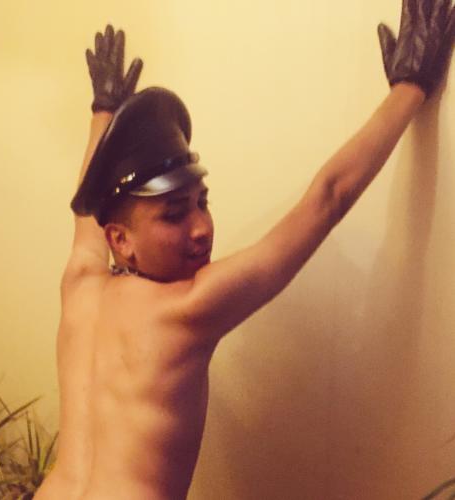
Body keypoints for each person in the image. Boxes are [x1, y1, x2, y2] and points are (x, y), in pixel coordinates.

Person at [33, 1, 454, 499]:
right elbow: (328, 198)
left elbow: (87, 210)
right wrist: (410, 87)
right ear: (120, 240)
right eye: (173, 214)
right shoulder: (187, 309)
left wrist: (104, 112)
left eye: (202, 202)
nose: (200, 229)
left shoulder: (80, 287)